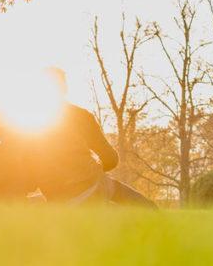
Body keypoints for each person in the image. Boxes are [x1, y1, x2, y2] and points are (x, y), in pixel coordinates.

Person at [23, 68, 156, 207]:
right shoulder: (80, 116)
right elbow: (111, 159)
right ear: (64, 88)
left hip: (56, 197)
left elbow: (28, 176)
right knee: (147, 207)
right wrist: (92, 168)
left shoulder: (27, 127)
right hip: (90, 186)